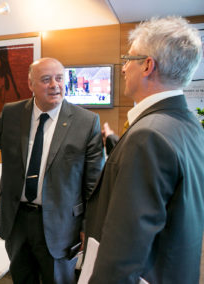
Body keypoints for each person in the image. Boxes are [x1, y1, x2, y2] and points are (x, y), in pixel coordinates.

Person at [84, 16, 204, 284]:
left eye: (128, 59)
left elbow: (124, 251)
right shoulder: (190, 125)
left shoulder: (148, 135)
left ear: (148, 65)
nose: (124, 68)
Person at [0, 57, 104, 283]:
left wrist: (88, 228)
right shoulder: (12, 114)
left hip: (61, 225)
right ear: (31, 84)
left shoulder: (86, 122)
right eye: (46, 79)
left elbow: (94, 186)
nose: (55, 84)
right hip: (17, 221)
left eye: (59, 78)